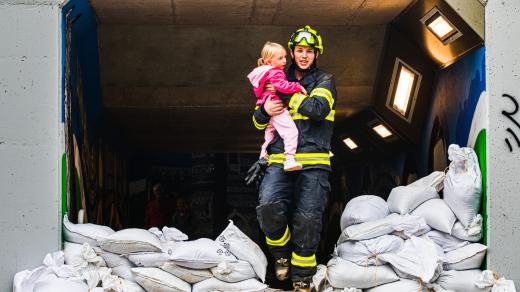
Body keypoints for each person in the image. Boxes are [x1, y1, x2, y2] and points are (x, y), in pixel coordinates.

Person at [246, 25, 336, 292]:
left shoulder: (325, 80)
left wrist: (285, 94)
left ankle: (302, 277)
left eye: (309, 51)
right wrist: (264, 109)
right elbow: (257, 121)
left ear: (316, 54)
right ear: (292, 52)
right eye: (299, 50)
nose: (304, 56)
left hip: (315, 160)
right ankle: (281, 255)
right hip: (279, 158)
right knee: (269, 206)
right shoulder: (275, 75)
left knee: (308, 219)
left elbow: (318, 110)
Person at [247, 41, 307, 171]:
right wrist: (297, 86)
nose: (285, 61)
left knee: (269, 134)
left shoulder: (263, 73)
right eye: (280, 58)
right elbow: (283, 86)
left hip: (268, 105)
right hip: (277, 107)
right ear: (269, 61)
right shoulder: (276, 72)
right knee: (291, 132)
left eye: (285, 57)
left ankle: (263, 155)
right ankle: (290, 160)